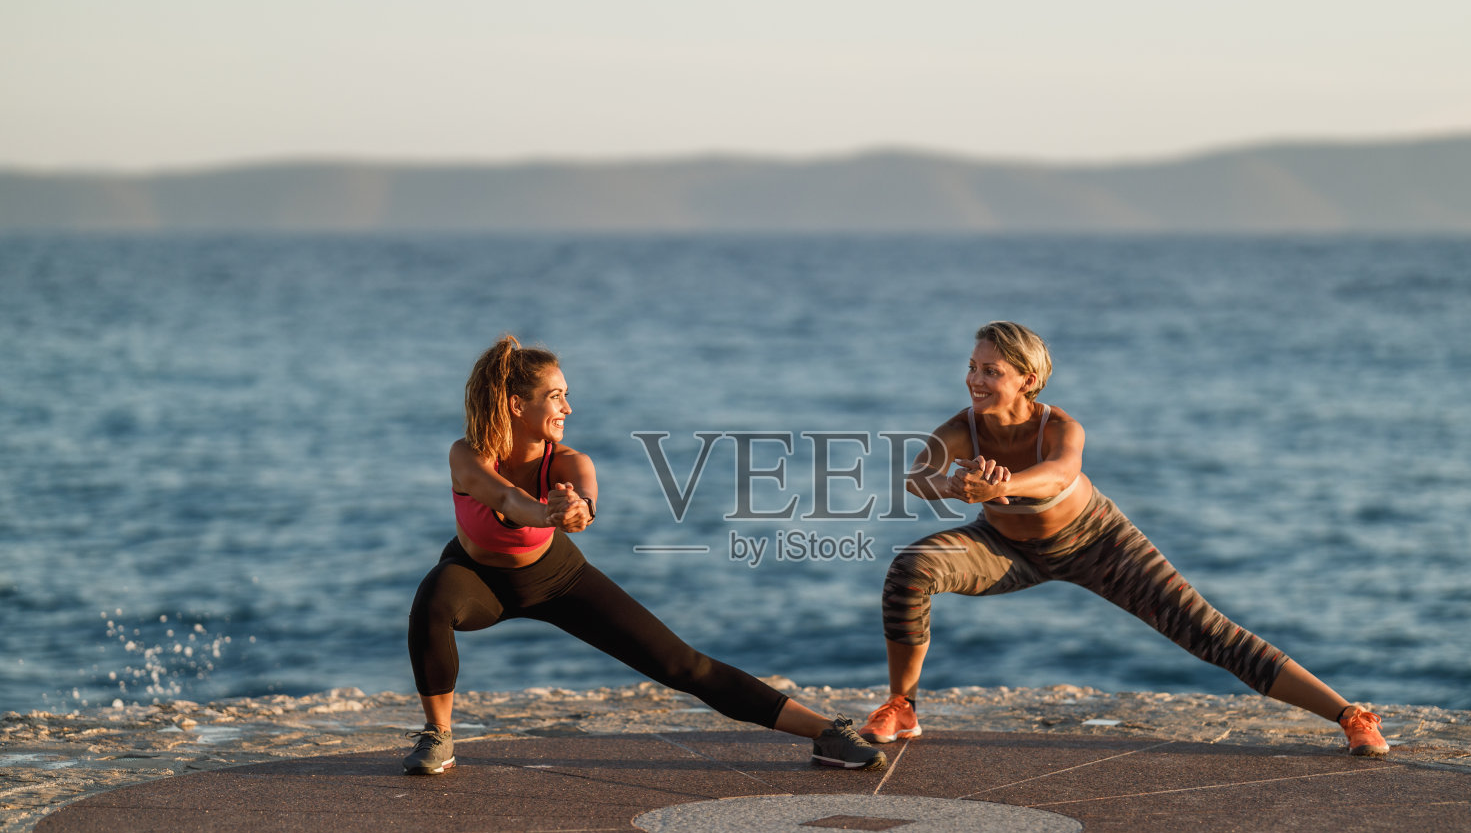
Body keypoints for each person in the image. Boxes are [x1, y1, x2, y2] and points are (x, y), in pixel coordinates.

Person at [859, 321, 1387, 757]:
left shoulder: (1061, 426)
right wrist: (952, 485)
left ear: (1027, 379)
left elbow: (1061, 474)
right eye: (972, 367)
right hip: (1006, 549)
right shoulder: (964, 427)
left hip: (1097, 542)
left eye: (991, 371)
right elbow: (915, 476)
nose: (975, 379)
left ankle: (1350, 715)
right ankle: (902, 707)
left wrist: (1002, 485)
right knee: (913, 566)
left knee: (1207, 632)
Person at [404, 336, 883, 774]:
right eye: (556, 396)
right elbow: (507, 500)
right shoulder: (467, 455)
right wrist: (547, 514)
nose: (568, 407)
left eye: (565, 395)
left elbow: (586, 499)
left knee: (683, 666)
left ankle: (825, 733)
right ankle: (439, 735)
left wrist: (577, 509)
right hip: (477, 578)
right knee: (435, 596)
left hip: (555, 576)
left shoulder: (570, 462)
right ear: (515, 404)